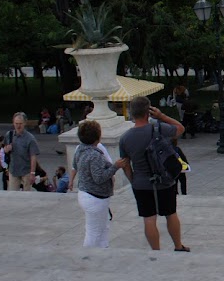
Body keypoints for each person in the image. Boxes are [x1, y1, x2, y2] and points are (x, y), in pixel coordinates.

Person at [119, 96, 190, 252]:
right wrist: (161, 116)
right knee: (171, 213)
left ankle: (156, 251)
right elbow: (180, 128)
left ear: (132, 113)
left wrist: (133, 181)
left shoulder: (125, 138)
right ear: (148, 112)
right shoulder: (158, 128)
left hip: (141, 183)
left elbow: (125, 165)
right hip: (164, 180)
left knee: (149, 218)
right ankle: (178, 246)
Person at [73, 120, 129, 248]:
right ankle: (87, 256)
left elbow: (75, 166)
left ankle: (104, 249)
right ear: (97, 137)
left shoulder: (80, 150)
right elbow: (99, 178)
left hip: (86, 194)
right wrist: (115, 166)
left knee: (102, 227)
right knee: (93, 232)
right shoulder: (94, 155)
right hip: (95, 198)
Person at [3, 112, 41, 191]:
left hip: (26, 170)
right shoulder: (9, 135)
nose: (18, 126)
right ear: (13, 123)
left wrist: (32, 173)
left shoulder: (30, 138)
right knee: (13, 193)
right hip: (13, 170)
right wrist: (6, 150)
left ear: (24, 123)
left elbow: (33, 157)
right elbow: (4, 150)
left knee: (26, 194)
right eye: (16, 123)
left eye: (20, 123)